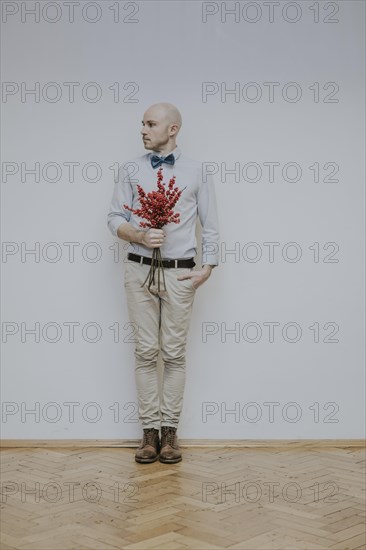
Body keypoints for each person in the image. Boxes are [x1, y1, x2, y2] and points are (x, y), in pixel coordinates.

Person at [107, 102, 219, 464]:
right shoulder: (130, 169)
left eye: (150, 123)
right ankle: (148, 435)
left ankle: (170, 434)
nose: (142, 129)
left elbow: (211, 224)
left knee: (173, 354)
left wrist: (208, 267)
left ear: (173, 129)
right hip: (139, 270)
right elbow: (113, 217)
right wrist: (137, 234)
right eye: (142, 123)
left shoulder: (197, 170)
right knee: (144, 352)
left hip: (180, 273)